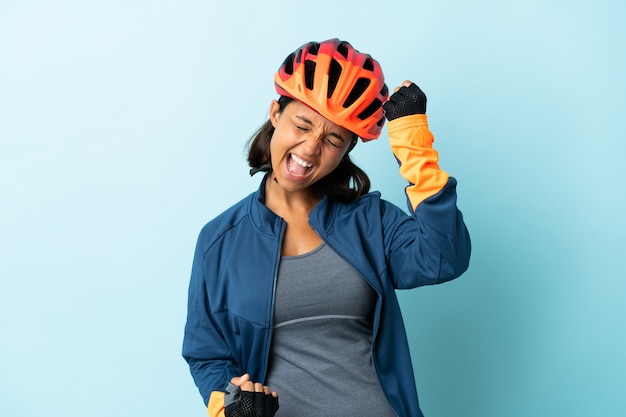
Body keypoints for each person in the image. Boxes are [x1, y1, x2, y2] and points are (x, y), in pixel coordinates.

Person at [182, 38, 471, 417]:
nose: (311, 147)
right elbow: (206, 354)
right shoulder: (219, 240)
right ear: (275, 114)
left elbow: (443, 258)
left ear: (346, 150)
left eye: (333, 139)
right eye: (302, 124)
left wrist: (414, 147)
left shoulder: (371, 221)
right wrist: (231, 407)